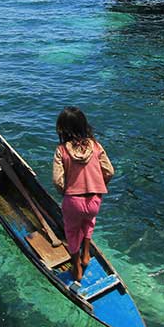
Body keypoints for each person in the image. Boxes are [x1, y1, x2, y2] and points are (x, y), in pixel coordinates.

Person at [52, 106, 115, 286]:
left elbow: (57, 180)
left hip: (73, 200)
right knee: (89, 222)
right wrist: (98, 185)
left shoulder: (61, 150)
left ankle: (77, 268)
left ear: (62, 128)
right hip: (94, 199)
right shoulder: (96, 146)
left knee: (71, 232)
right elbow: (109, 171)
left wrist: (66, 192)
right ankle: (86, 254)